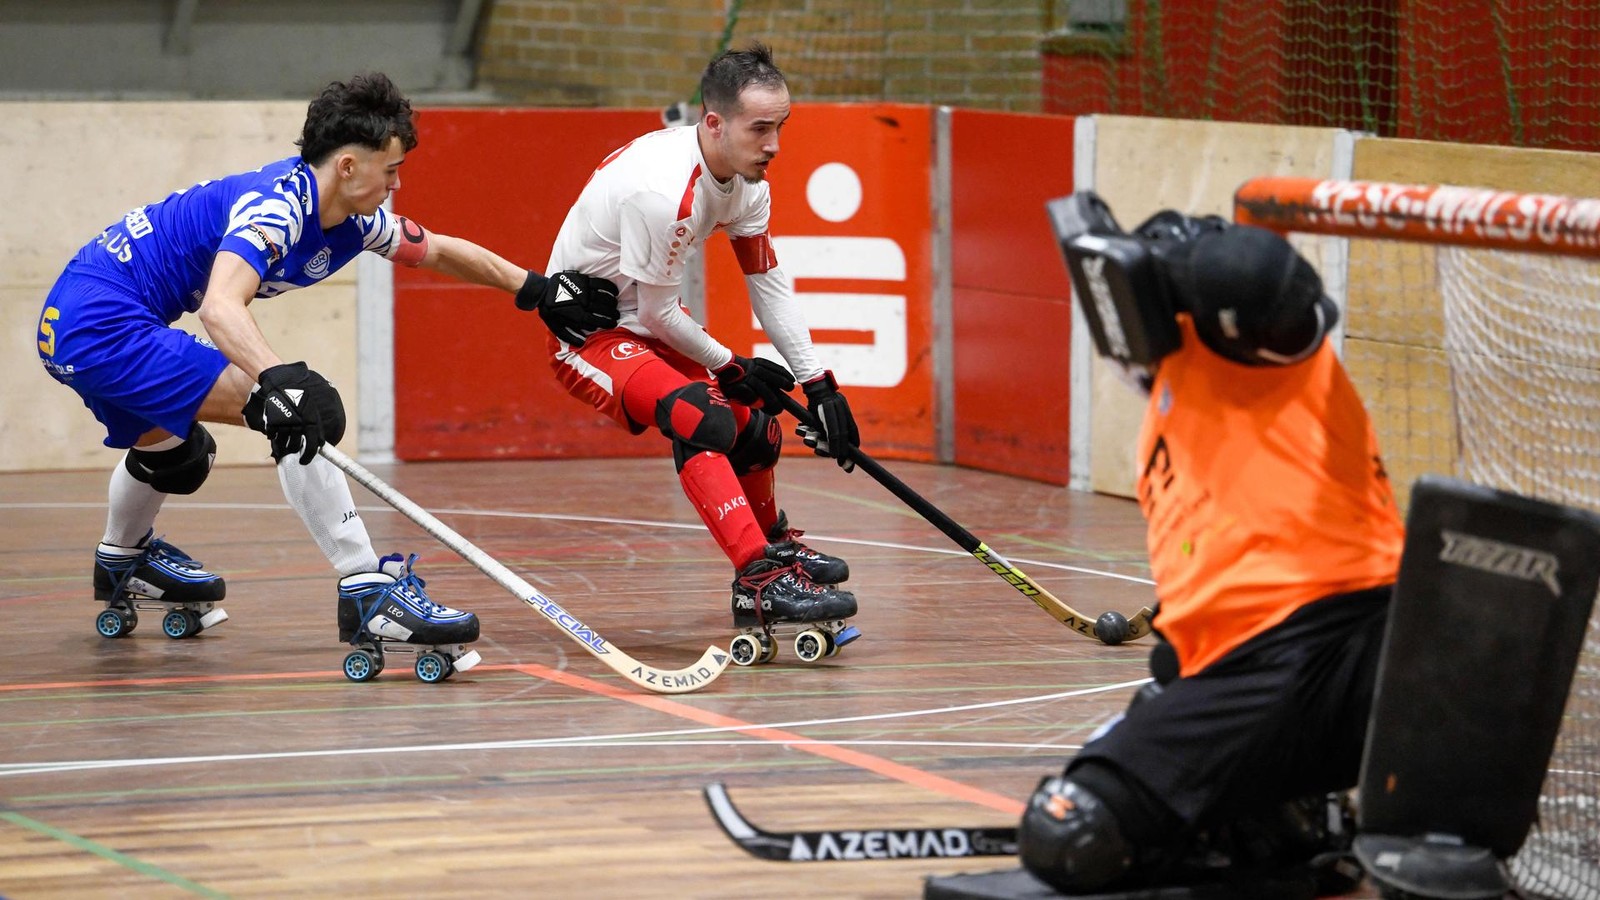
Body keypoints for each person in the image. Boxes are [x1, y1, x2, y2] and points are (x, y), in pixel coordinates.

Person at [36, 73, 612, 667]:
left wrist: (537, 290)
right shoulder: (278, 209)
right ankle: (368, 591)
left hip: (77, 321)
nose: (397, 183)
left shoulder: (354, 221)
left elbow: (437, 249)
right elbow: (220, 306)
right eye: (390, 170)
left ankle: (123, 560)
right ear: (347, 166)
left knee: (176, 455)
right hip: (100, 325)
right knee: (300, 414)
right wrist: (276, 381)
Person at [1015, 200, 1406, 894]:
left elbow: (1260, 274)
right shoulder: (1178, 395)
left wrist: (1184, 264)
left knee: (1070, 833)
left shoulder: (1248, 355)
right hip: (1260, 659)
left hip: (1324, 646)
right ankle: (1268, 818)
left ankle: (1246, 828)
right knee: (1146, 713)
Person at [532, 41, 861, 649]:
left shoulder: (746, 182)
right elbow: (656, 313)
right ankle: (758, 579)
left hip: (651, 322)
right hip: (589, 337)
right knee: (702, 417)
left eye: (781, 126)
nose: (774, 145)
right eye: (760, 129)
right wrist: (731, 364)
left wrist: (818, 384)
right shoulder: (665, 191)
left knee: (758, 428)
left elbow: (766, 280)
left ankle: (775, 549)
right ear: (713, 123)